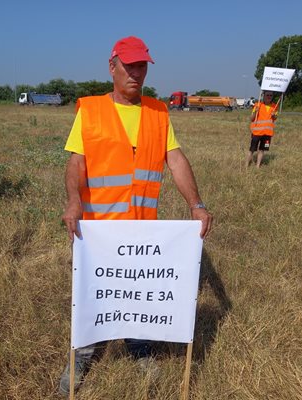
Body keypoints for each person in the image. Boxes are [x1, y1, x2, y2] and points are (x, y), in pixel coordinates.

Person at [59, 36, 213, 395]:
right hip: (98, 228)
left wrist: (197, 204)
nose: (136, 73)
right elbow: (76, 160)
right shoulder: (91, 110)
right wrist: (72, 201)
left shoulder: (159, 112)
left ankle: (137, 345)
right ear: (112, 66)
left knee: (137, 289)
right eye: (129, 65)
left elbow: (174, 159)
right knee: (94, 291)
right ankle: (83, 352)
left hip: (142, 228)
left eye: (142, 65)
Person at [245, 91, 278, 168]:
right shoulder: (257, 105)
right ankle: (246, 166)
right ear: (263, 95)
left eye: (271, 95)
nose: (269, 96)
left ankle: (257, 166)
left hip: (267, 134)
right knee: (252, 150)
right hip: (257, 132)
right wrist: (255, 112)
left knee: (262, 150)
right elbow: (251, 119)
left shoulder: (275, 106)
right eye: (267, 95)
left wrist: (274, 116)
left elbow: (275, 118)